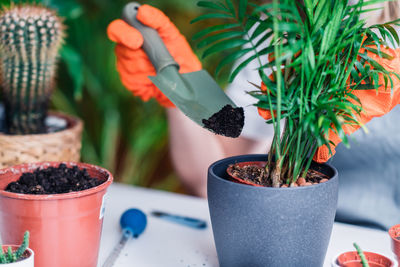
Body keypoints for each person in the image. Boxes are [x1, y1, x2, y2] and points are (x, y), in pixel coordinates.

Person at [107, 1, 400, 230]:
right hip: (284, 232)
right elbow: (216, 179)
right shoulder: (278, 27)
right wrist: (178, 88)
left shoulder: (391, 38)